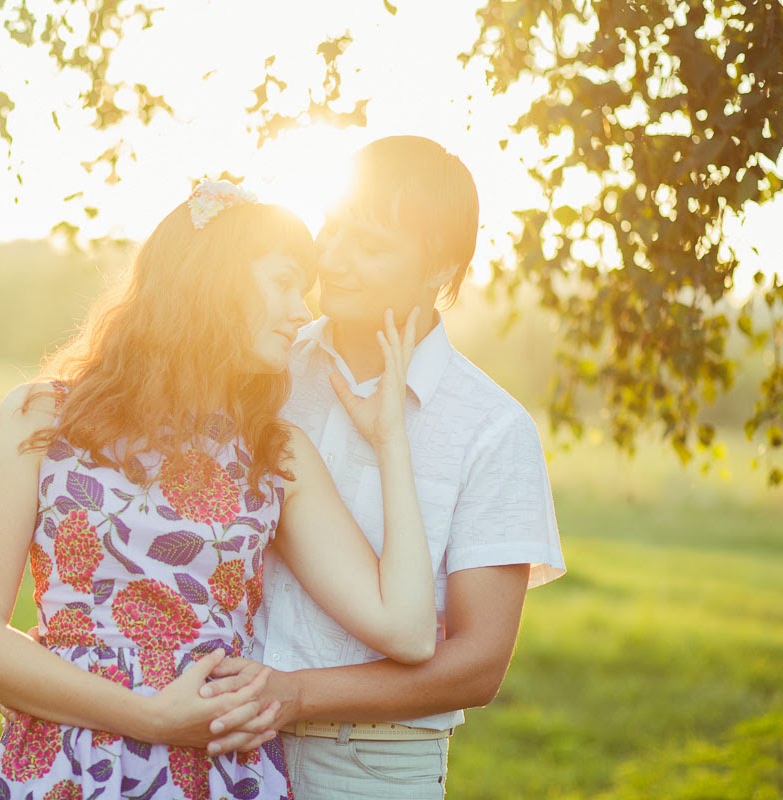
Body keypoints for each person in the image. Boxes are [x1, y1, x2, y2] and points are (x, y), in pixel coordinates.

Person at [0, 179, 439, 800]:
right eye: (283, 282)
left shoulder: (274, 453)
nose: (300, 312)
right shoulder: (41, 418)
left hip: (218, 773)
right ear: (216, 278)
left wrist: (391, 441)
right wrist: (145, 718)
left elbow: (411, 630)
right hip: (64, 768)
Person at [199, 136, 568, 799]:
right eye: (333, 233)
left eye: (370, 247)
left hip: (371, 765)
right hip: (223, 741)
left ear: (439, 268)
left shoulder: (491, 427)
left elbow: (477, 665)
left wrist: (297, 695)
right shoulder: (262, 371)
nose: (334, 262)